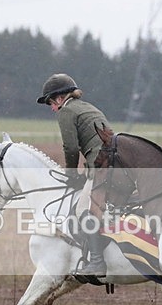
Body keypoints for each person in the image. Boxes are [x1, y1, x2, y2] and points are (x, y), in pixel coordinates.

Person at [37, 73, 109, 277]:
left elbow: (70, 147)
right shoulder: (89, 107)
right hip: (115, 163)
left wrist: (70, 174)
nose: (52, 108)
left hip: (102, 166)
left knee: (82, 209)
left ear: (60, 98)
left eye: (51, 102)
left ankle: (97, 262)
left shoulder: (67, 111)